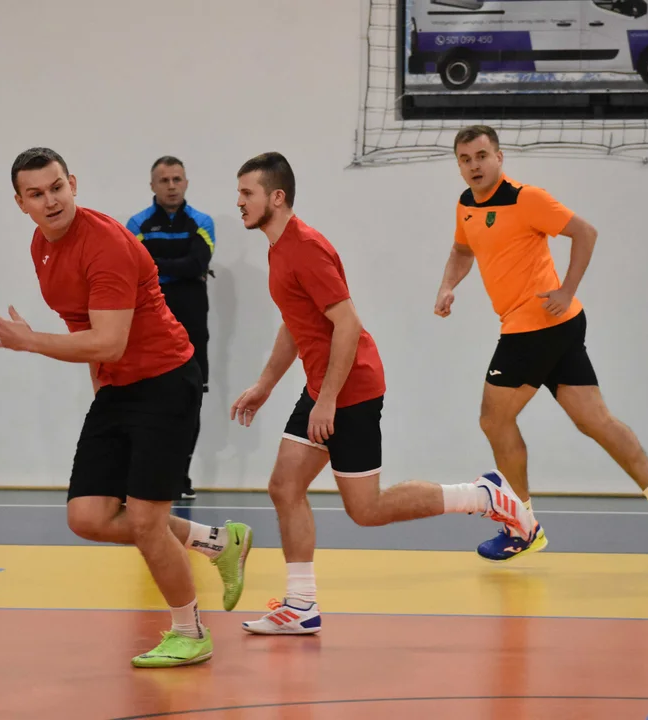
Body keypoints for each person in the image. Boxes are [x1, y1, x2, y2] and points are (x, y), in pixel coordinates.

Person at [229, 151, 535, 635]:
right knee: (284, 487)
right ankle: (301, 605)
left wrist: (328, 400)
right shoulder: (278, 248)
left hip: (350, 388)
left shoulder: (305, 247)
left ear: (277, 197)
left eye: (247, 193)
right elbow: (296, 322)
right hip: (324, 386)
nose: (239, 202)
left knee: (366, 510)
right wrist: (265, 385)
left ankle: (483, 495)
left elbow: (347, 324)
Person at [0, 147, 252, 668]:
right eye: (36, 194)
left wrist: (29, 341)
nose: (50, 200)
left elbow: (108, 340)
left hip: (166, 382)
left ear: (73, 183)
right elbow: (83, 325)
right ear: (21, 203)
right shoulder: (41, 244)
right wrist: (102, 393)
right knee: (87, 516)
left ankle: (190, 631)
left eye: (57, 187)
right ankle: (218, 542)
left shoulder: (104, 243)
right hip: (118, 387)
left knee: (147, 523)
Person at [433, 125, 648, 564]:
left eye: (481, 156)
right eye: (465, 159)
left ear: (499, 157)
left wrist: (567, 289)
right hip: (556, 327)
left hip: (535, 325)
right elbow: (462, 251)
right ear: (459, 165)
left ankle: (522, 526)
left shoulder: (526, 199)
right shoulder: (466, 205)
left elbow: (585, 232)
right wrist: (447, 287)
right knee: (594, 419)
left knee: (494, 419)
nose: (474, 166)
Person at [126, 157, 216, 501]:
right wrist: (182, 269)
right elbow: (137, 267)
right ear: (152, 185)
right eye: (164, 180)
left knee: (190, 401)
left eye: (177, 179)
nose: (171, 185)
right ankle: (145, 477)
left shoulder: (202, 222)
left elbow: (197, 263)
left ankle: (181, 476)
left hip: (193, 325)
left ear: (186, 182)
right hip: (150, 324)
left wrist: (158, 265)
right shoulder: (137, 224)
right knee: (148, 401)